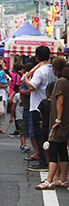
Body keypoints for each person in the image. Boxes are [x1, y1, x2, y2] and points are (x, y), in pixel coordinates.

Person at [36, 57, 69, 189]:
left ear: (55, 69)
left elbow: (60, 101)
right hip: (66, 122)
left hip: (59, 122)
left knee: (54, 149)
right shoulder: (67, 82)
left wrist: (58, 120)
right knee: (62, 150)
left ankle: (49, 180)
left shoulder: (60, 82)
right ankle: (62, 179)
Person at [24, 46, 57, 172]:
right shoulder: (51, 69)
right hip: (50, 105)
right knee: (48, 135)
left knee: (39, 135)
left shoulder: (39, 71)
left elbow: (32, 87)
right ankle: (50, 160)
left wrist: (27, 77)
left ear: (37, 56)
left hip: (38, 106)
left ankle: (43, 161)